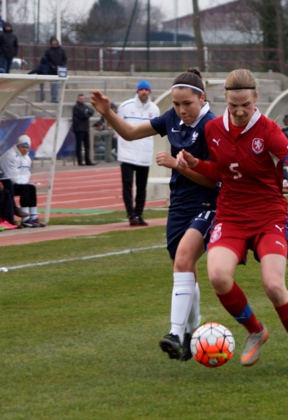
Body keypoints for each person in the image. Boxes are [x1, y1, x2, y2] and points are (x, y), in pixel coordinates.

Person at [176, 68, 288, 374]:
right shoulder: (213, 128)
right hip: (230, 214)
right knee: (217, 276)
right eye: (233, 106)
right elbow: (221, 172)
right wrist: (195, 163)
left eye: (246, 105)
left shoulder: (269, 131)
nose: (240, 112)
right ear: (225, 101)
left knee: (273, 285)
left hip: (269, 215)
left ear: (255, 98)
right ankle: (255, 330)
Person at [91, 68, 218, 362]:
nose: (181, 110)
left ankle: (175, 332)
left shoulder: (213, 126)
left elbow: (214, 180)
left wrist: (180, 166)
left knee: (185, 260)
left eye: (187, 103)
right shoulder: (171, 119)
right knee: (182, 266)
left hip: (209, 202)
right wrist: (108, 112)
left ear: (202, 98)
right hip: (180, 204)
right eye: (176, 104)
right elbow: (131, 133)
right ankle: (192, 331)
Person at [116, 80, 161, 225]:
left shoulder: (154, 109)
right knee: (127, 185)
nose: (144, 92)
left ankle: (139, 214)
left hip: (144, 154)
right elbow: (118, 125)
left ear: (149, 92)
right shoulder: (125, 106)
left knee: (142, 187)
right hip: (127, 153)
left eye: (146, 90)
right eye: (141, 90)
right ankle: (131, 215)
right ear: (137, 91)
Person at [0, 135, 46, 228]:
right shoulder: (10, 156)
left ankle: (33, 217)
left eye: (27, 147)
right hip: (6, 184)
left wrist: (24, 181)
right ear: (17, 146)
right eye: (22, 147)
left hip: (17, 182)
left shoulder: (27, 158)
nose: (25, 149)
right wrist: (24, 181)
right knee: (26, 189)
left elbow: (27, 173)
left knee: (31, 188)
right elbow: (12, 176)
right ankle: (25, 219)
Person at [72, 93, 96, 166]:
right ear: (78, 99)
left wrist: (87, 113)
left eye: (83, 98)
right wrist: (87, 113)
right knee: (79, 145)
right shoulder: (76, 107)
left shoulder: (85, 106)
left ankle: (87, 160)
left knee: (87, 145)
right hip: (79, 128)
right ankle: (80, 161)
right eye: (81, 98)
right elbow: (83, 115)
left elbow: (91, 111)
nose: (82, 100)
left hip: (85, 128)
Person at [43, 37, 67, 103]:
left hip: (59, 70)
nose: (54, 43)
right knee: (53, 85)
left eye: (55, 41)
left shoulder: (61, 50)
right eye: (53, 41)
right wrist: (51, 65)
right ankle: (53, 98)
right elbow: (45, 60)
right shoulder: (48, 51)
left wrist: (62, 65)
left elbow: (64, 59)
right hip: (51, 70)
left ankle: (54, 98)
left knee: (57, 85)